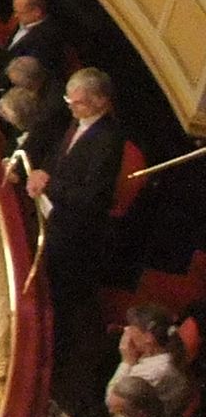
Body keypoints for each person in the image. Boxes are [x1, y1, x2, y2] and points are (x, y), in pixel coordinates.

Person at [24, 70, 128, 376]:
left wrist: (49, 184)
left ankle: (44, 362)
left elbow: (94, 197)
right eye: (69, 99)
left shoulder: (108, 140)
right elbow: (58, 163)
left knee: (56, 302)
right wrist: (38, 175)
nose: (70, 106)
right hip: (52, 216)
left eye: (78, 101)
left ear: (100, 102)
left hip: (74, 237)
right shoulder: (76, 122)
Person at [108, 305, 191, 417]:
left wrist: (126, 362)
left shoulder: (152, 370)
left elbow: (112, 403)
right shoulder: (168, 354)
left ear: (148, 337)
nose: (127, 331)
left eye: (132, 327)